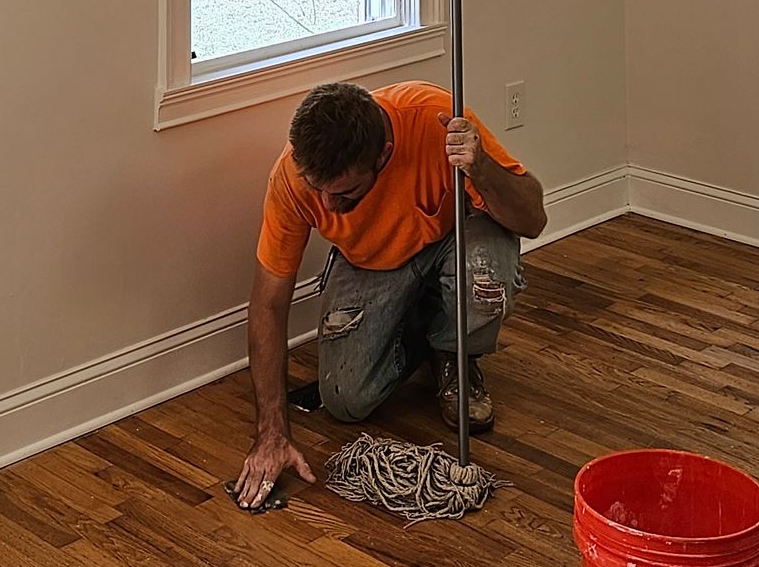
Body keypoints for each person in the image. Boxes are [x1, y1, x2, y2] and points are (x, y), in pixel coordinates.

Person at [233, 78, 547, 509]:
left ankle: (455, 354)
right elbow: (268, 304)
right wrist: (271, 431)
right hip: (371, 261)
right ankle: (433, 327)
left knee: (482, 273)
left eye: (344, 193)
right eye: (316, 188)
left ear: (382, 155)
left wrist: (482, 168)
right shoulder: (291, 176)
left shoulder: (436, 119)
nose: (326, 205)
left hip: (455, 241)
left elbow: (533, 220)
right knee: (345, 399)